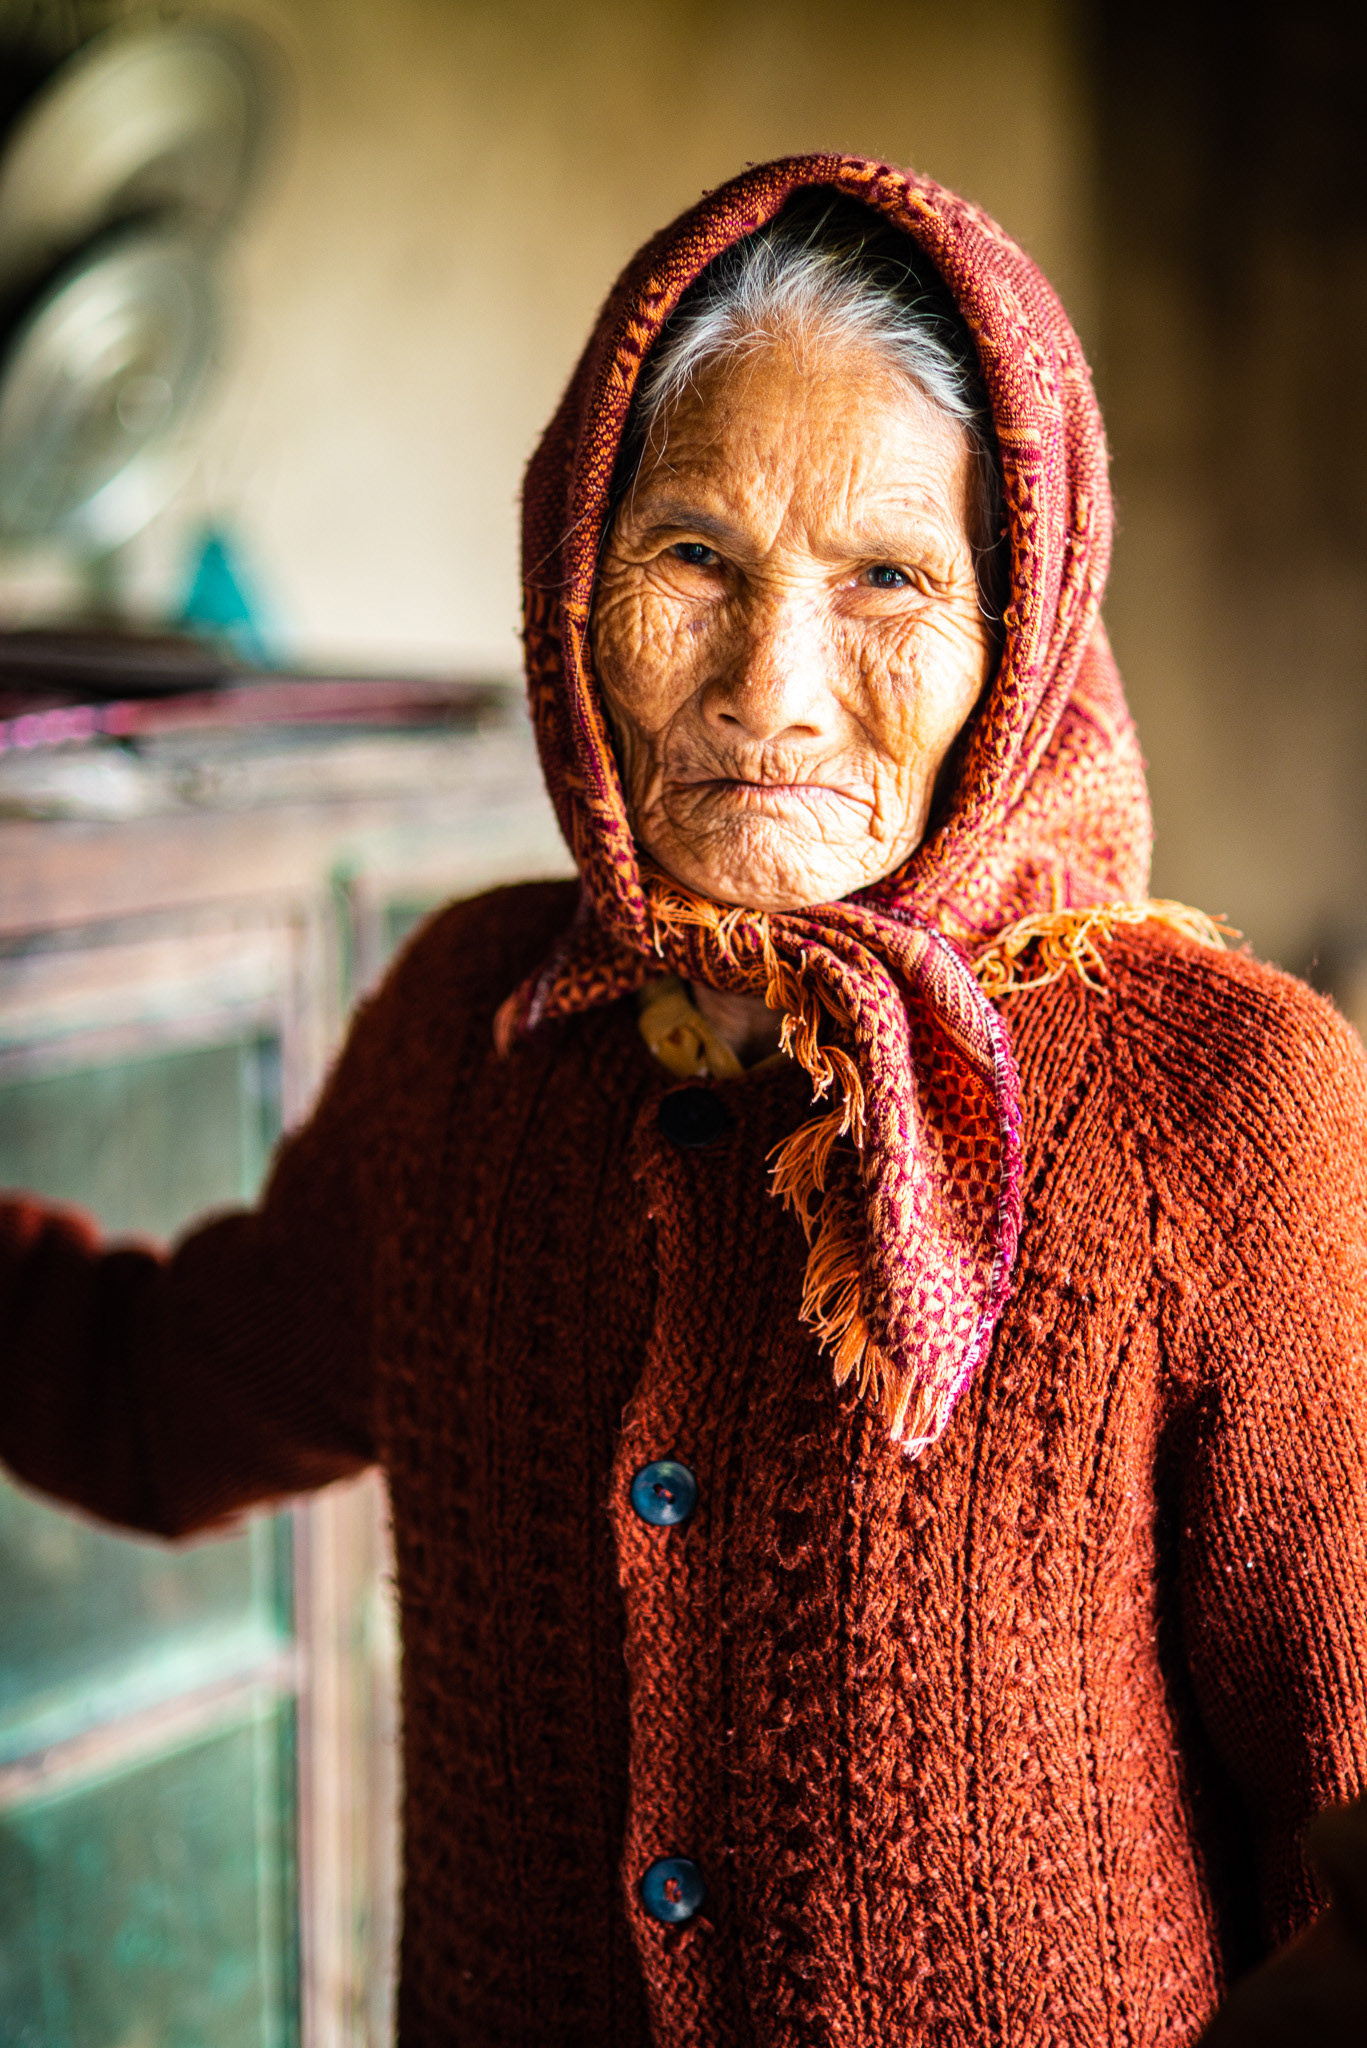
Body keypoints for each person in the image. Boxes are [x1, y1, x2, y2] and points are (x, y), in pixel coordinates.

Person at [3, 154, 1366, 2047]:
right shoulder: (475, 1031)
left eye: (891, 577)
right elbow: (152, 1409)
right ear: (577, 584)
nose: (775, 690)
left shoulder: (1216, 1102)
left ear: (1020, 621)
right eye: (694, 559)